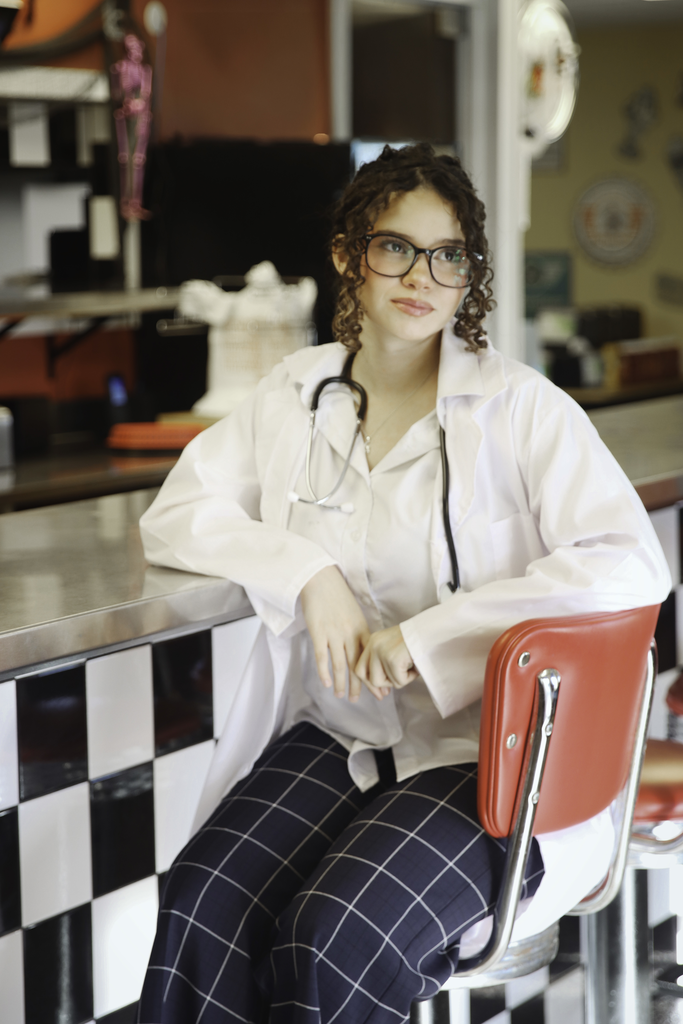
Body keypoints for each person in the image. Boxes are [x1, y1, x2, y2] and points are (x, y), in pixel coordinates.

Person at [137, 143, 670, 1024]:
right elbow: (178, 512)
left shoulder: (521, 409)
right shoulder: (295, 394)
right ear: (349, 253)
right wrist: (307, 571)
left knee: (330, 936)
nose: (422, 276)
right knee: (200, 902)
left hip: (488, 757)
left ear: (470, 275)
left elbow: (625, 562)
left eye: (448, 255)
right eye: (395, 248)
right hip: (343, 734)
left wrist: (430, 638)